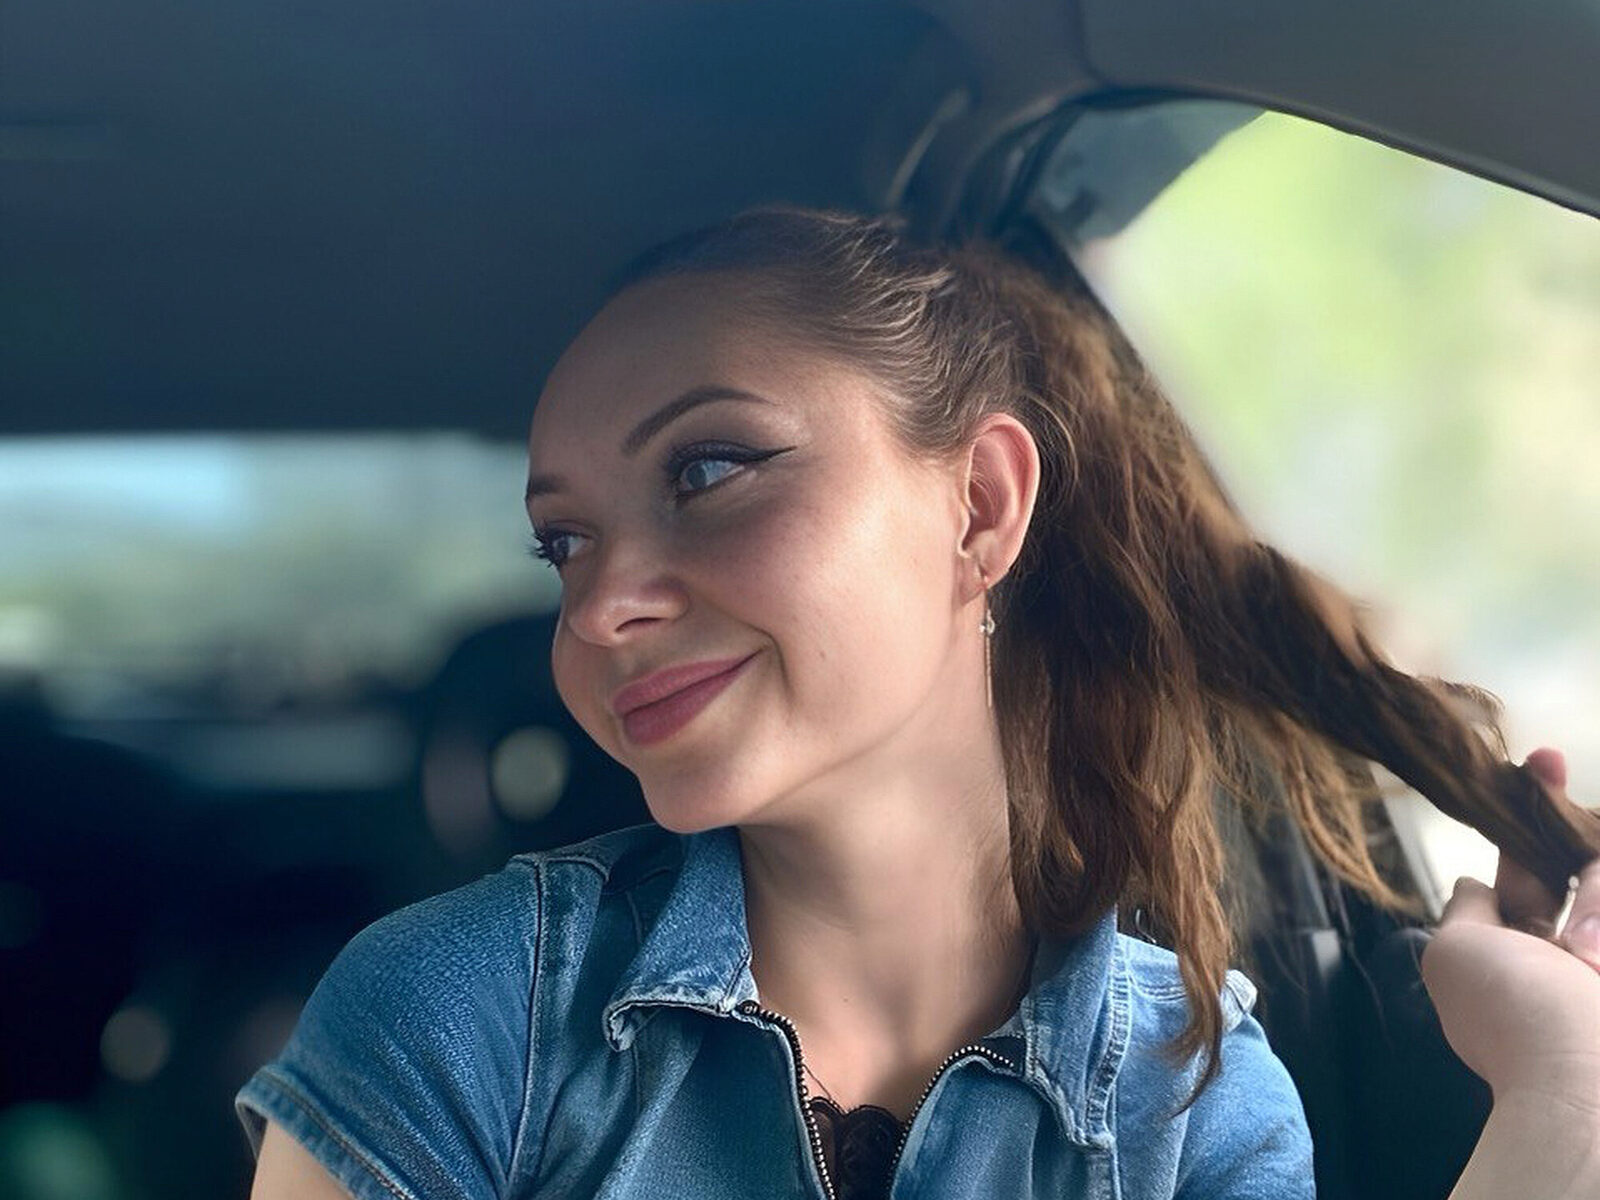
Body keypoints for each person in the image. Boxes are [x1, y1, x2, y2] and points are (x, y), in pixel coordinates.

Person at [238, 208, 1600, 1199]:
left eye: (707, 472)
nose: (599, 607)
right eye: (565, 543)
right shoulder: (458, 1014)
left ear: (981, 506)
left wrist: (1566, 1090)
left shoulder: (1192, 1100)